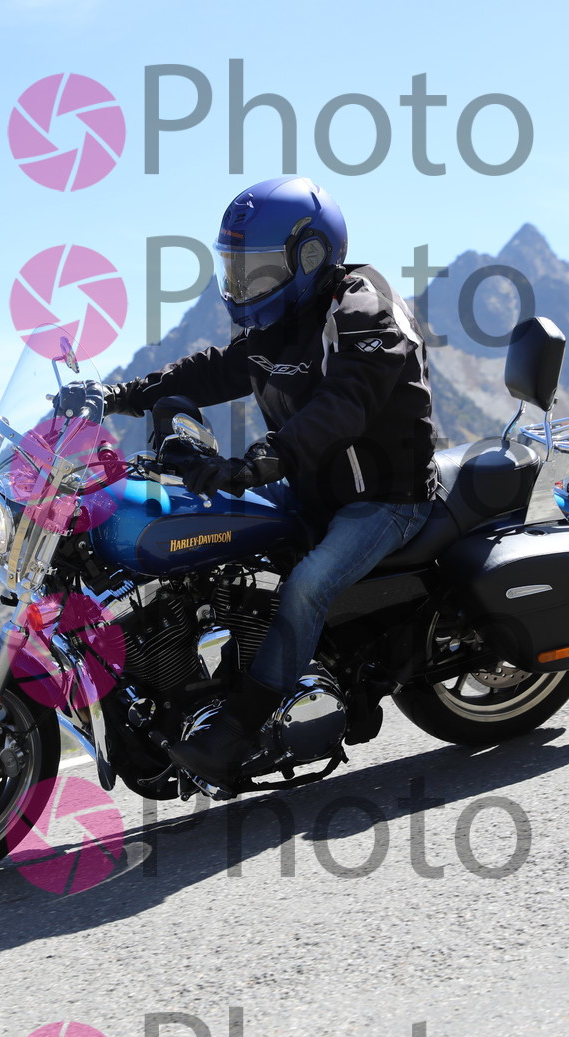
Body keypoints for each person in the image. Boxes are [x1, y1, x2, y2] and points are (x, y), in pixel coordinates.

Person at [102, 176, 437, 786]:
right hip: (311, 488)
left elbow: (344, 405)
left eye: (256, 270)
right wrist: (121, 395)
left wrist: (264, 459)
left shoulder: (363, 310)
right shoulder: (282, 320)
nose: (242, 285)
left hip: (385, 499)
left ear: (310, 256)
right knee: (202, 530)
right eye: (235, 269)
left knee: (306, 586)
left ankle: (238, 730)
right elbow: (213, 371)